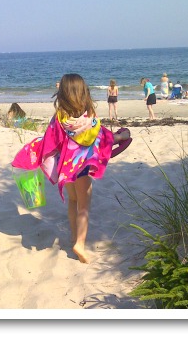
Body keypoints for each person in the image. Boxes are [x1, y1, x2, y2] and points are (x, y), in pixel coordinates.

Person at [11, 73, 132, 264]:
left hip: (65, 169)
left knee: (73, 201)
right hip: (82, 169)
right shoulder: (90, 119)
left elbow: (50, 141)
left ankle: (74, 237)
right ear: (84, 92)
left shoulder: (59, 119)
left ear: (63, 94)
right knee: (84, 207)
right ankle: (80, 244)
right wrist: (121, 137)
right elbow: (104, 138)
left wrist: (35, 153)